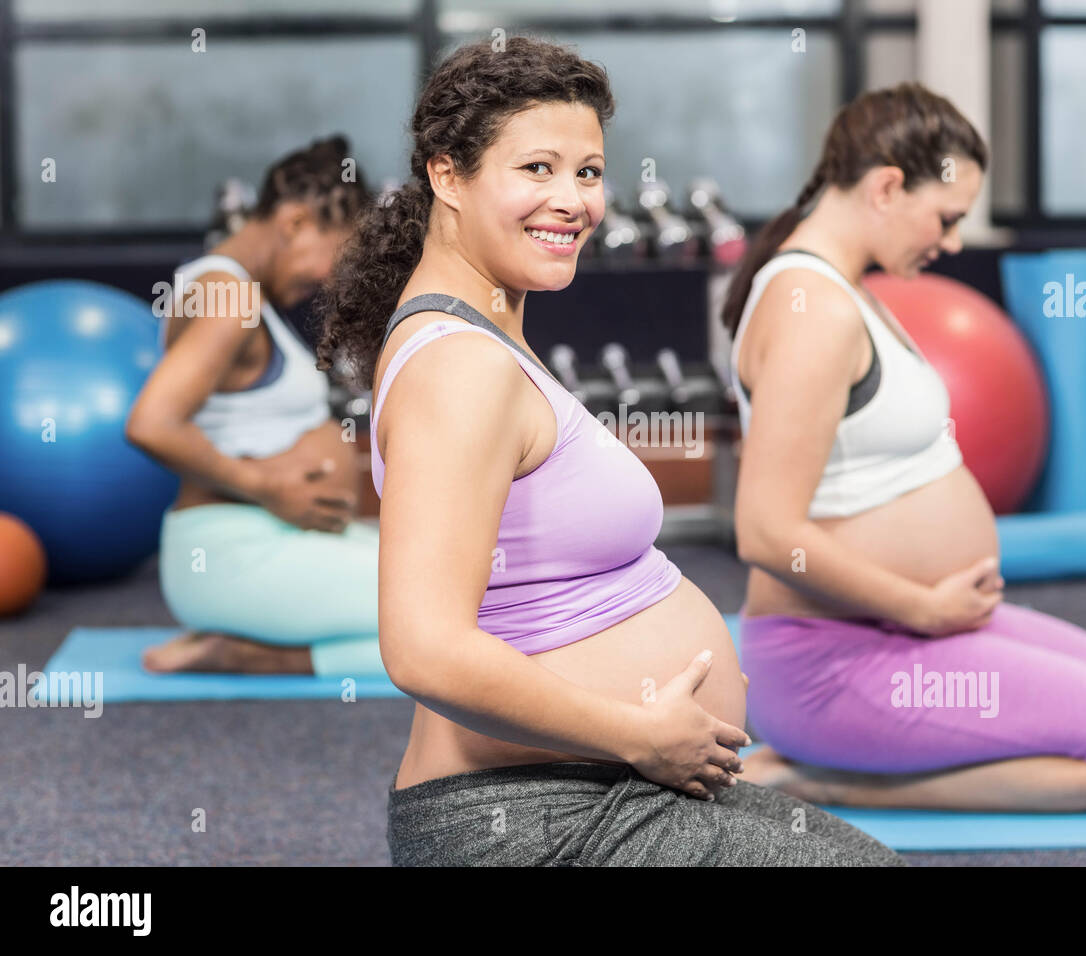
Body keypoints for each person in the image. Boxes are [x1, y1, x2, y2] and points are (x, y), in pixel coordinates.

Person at [316, 37, 904, 866]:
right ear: (448, 176)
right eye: (537, 169)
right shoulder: (460, 367)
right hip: (531, 817)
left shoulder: (479, 333)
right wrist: (640, 732)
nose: (573, 201)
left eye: (588, 173)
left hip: (592, 785)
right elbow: (422, 647)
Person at [723, 83, 1086, 812]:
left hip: (900, 633)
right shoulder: (812, 310)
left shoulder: (845, 290)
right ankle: (820, 778)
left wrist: (929, 612)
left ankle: (837, 754)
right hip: (838, 659)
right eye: (947, 216)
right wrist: (922, 608)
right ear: (886, 187)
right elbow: (766, 533)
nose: (953, 240)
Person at [126, 136, 384, 678]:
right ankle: (260, 655)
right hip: (236, 554)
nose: (329, 280)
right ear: (293, 223)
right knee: (472, 613)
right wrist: (271, 488)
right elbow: (151, 424)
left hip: (264, 543)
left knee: (466, 582)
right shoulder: (229, 296)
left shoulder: (235, 292)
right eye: (333, 256)